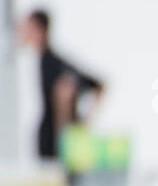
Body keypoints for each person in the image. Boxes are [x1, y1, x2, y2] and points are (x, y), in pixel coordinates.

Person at [18, 9, 104, 162]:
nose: (22, 31)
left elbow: (98, 86)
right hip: (54, 137)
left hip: (58, 141)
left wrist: (85, 122)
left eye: (27, 27)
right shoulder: (40, 60)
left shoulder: (52, 63)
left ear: (40, 30)